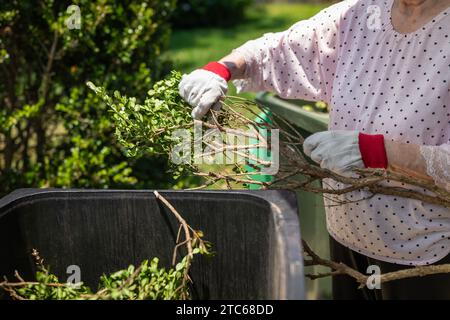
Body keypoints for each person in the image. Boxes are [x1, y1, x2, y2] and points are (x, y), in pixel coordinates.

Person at [178, 0, 450, 299]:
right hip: (347, 238)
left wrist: (377, 151)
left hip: (424, 251)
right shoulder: (362, 13)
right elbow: (277, 50)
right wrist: (220, 70)